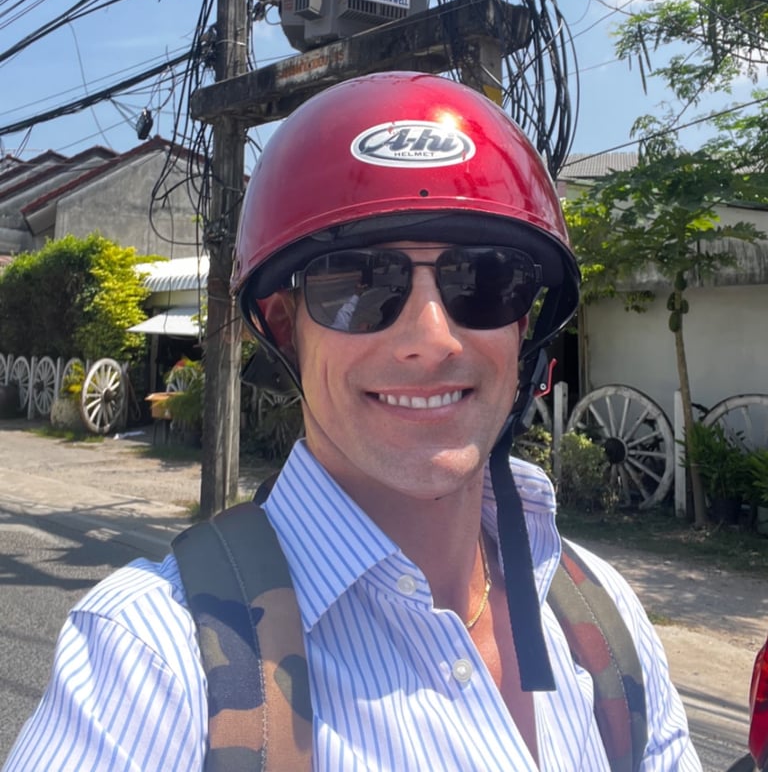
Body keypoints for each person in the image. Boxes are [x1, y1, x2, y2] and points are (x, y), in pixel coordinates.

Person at [3, 71, 702, 771]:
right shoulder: (150, 660)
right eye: (359, 283)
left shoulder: (604, 625)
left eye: (484, 279)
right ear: (286, 326)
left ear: (525, 325)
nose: (432, 336)